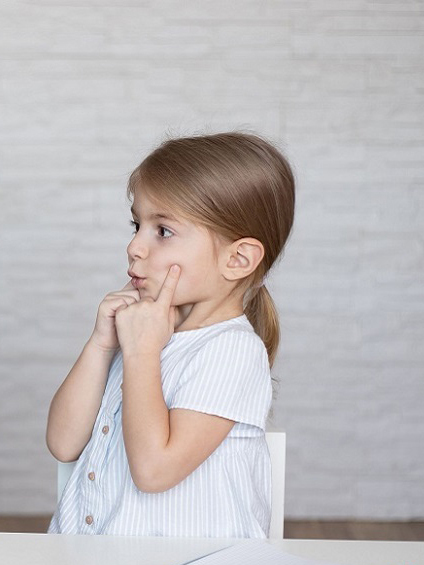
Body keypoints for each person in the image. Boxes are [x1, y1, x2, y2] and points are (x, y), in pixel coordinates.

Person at [46, 132, 294, 538]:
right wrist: (101, 344)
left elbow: (154, 471)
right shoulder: (148, 331)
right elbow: (62, 443)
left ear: (238, 258)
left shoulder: (231, 350)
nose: (134, 247)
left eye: (162, 231)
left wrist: (142, 352)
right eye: (136, 224)